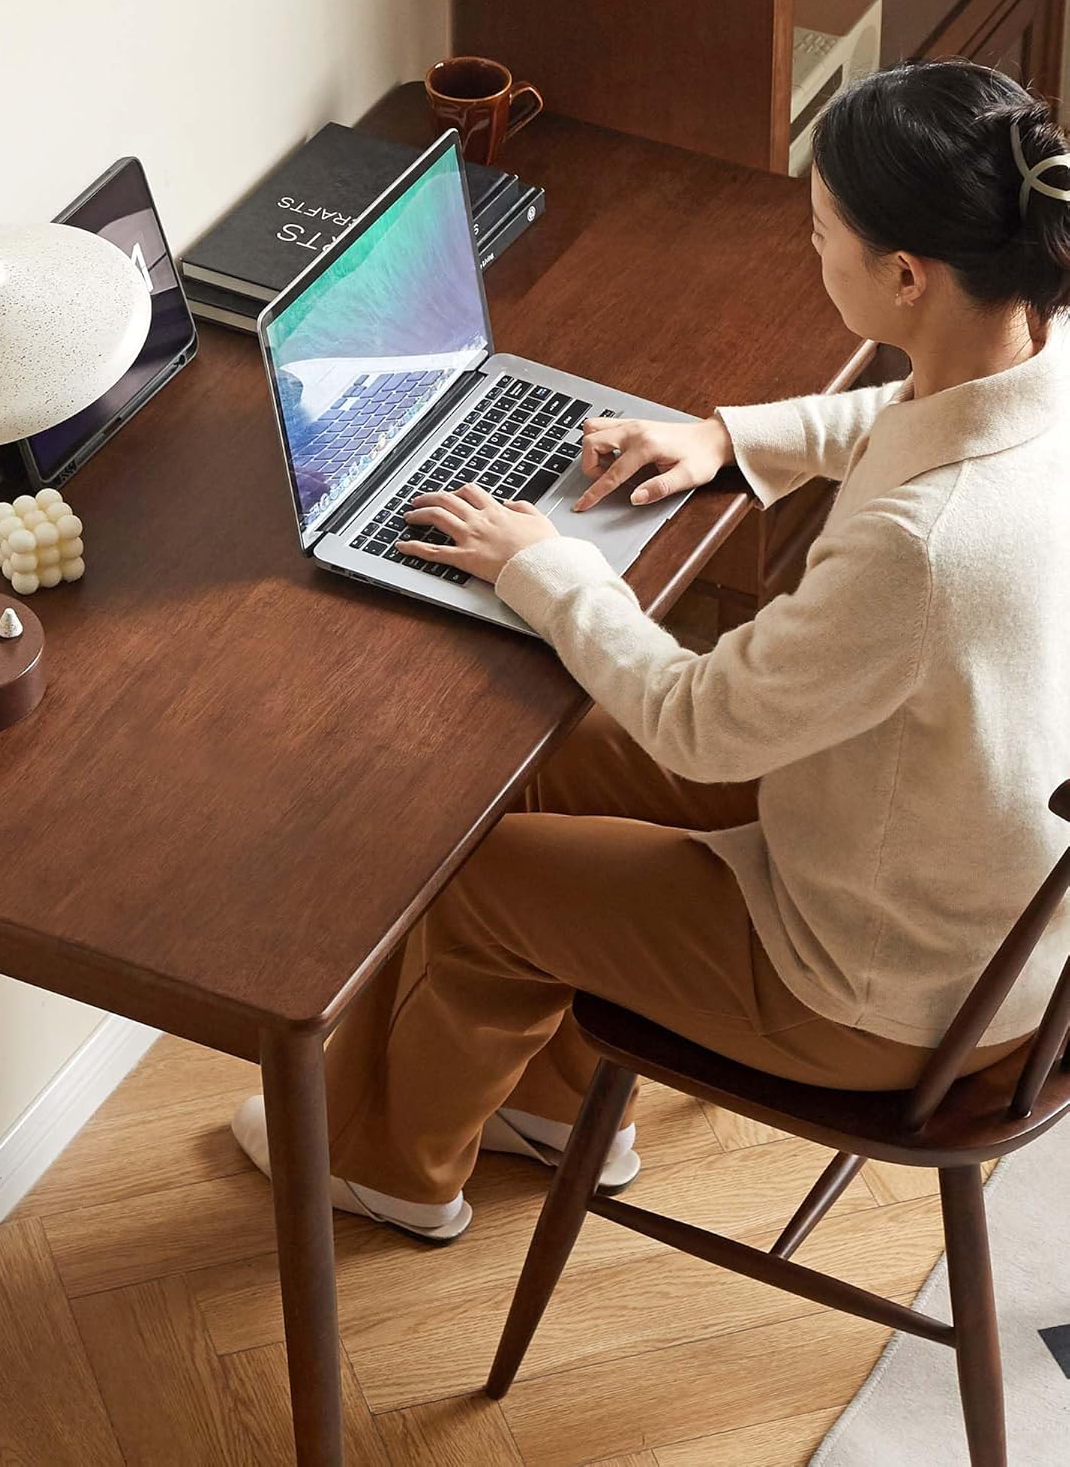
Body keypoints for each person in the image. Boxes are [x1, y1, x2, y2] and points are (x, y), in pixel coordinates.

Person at [232, 60, 1070, 1242]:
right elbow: (905, 416)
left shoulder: (920, 550)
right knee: (536, 769)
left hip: (889, 991)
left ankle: (386, 1168)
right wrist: (725, 438)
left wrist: (548, 566)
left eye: (820, 230)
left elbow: (699, 725)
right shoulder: (1044, 353)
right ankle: (557, 1105)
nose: (810, 249)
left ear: (905, 275)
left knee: (467, 878)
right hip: (966, 886)